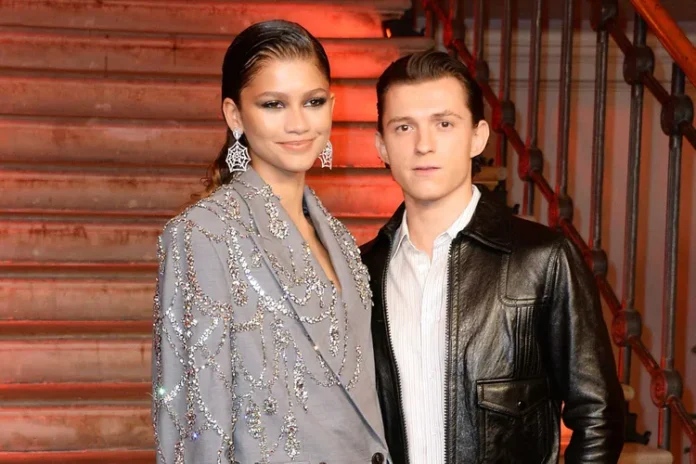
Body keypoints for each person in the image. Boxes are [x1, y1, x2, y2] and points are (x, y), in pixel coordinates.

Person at [361, 50, 625, 463]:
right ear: (382, 146)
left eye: (444, 124)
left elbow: (599, 415)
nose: (423, 145)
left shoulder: (542, 259)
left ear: (478, 137)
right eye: (404, 127)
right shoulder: (361, 270)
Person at [152, 20, 389, 464]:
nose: (298, 123)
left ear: (332, 106)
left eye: (313, 101)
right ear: (235, 115)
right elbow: (197, 423)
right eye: (273, 104)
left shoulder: (337, 236)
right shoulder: (204, 233)